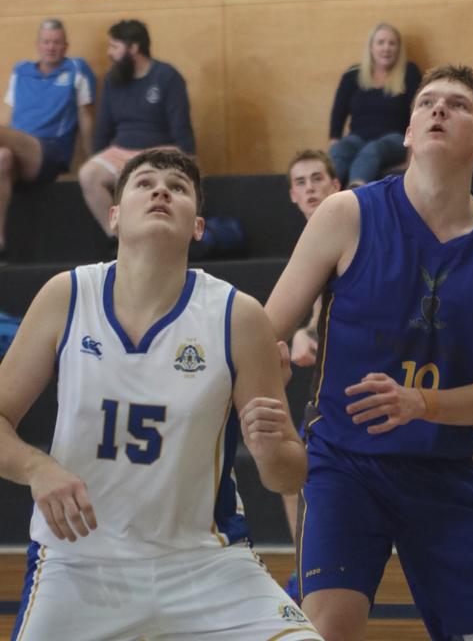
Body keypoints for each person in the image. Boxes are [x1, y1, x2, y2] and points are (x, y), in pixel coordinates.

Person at [267, 64, 473, 641]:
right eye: (427, 103)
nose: (439, 110)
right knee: (328, 630)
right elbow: (266, 328)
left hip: (448, 468)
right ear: (410, 132)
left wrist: (420, 403)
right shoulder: (347, 212)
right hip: (346, 464)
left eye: (458, 105)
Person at [0, 147, 322, 641]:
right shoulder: (66, 296)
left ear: (198, 226)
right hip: (79, 566)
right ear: (114, 216)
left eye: (178, 186)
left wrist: (271, 448)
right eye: (145, 182)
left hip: (205, 566)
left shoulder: (238, 316)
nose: (161, 190)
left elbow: (288, 475)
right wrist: (36, 467)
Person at [282, 149, 341, 599]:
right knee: (291, 467)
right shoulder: (310, 241)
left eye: (317, 178)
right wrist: (303, 334)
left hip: (376, 379)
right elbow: (313, 316)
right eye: (300, 182)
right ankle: (306, 571)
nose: (310, 188)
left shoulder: (352, 226)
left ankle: (311, 574)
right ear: (291, 196)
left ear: (335, 184)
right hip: (335, 385)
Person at [78, 19, 196, 236]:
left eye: (114, 46)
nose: (109, 53)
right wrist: (98, 154)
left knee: (156, 179)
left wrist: (189, 158)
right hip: (121, 150)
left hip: (161, 150)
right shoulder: (112, 80)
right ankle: (117, 235)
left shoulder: (167, 76)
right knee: (88, 174)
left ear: (133, 48)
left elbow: (181, 124)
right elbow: (104, 127)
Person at [0, 18, 95, 262]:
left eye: (56, 42)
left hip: (49, 152)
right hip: (17, 148)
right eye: (46, 42)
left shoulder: (76, 69)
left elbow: (86, 117)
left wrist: (90, 161)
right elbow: (8, 115)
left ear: (65, 46)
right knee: (2, 158)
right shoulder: (21, 71)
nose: (51, 47)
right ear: (37, 45)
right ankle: (1, 244)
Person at [328, 21, 421, 187]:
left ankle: (354, 198)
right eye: (381, 42)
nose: (386, 48)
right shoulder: (352, 75)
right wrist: (334, 146)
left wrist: (410, 160)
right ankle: (324, 201)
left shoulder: (409, 73)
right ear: (371, 47)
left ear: (399, 49)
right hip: (357, 137)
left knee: (371, 151)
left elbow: (418, 117)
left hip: (395, 140)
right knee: (340, 151)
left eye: (392, 43)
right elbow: (337, 117)